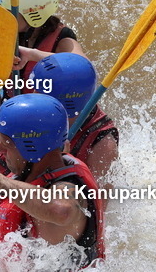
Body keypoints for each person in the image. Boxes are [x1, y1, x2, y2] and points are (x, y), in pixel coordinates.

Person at [0, 94, 104, 272]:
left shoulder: (68, 188)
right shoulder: (33, 171)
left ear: (31, 148)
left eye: (6, 144)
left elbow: (62, 209)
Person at [27, 52, 118, 186]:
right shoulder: (25, 113)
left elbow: (94, 203)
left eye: (40, 93)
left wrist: (61, 168)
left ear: (65, 102)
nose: (32, 97)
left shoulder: (103, 144)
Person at [0, 0, 85, 87]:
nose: (4, 18)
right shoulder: (4, 33)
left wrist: (33, 55)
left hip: (49, 102)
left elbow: (83, 68)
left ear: (32, 15)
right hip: (12, 102)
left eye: (10, 13)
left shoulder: (63, 39)